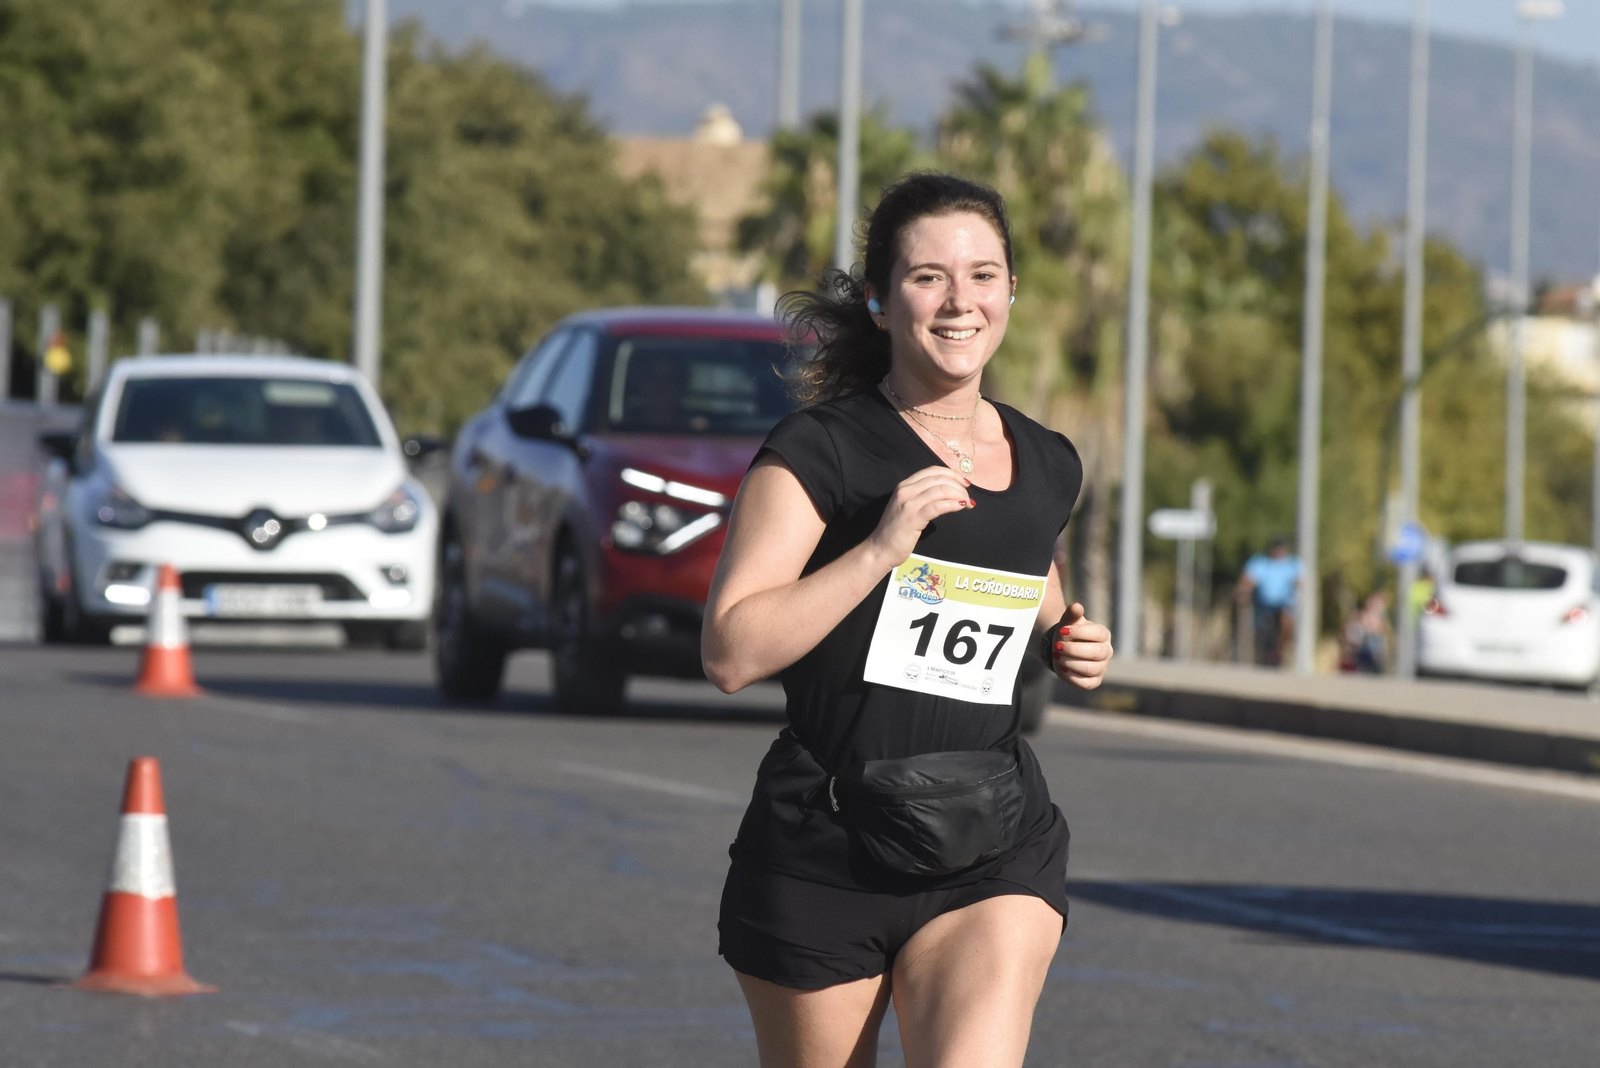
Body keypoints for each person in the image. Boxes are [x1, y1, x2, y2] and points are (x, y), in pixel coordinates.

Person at [701, 173, 1114, 1068]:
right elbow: (730, 652)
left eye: (983, 274)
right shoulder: (822, 450)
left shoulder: (1046, 461)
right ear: (883, 304)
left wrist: (1066, 636)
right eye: (929, 277)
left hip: (991, 841)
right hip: (828, 843)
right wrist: (880, 548)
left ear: (1011, 292)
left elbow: (1024, 566)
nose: (960, 300)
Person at [1237, 537, 1302, 667]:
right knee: (1261, 627)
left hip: (1284, 603)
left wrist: (1297, 588)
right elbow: (1248, 579)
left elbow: (1300, 581)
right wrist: (1243, 591)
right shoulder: (1261, 563)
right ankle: (1262, 652)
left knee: (1286, 621)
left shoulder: (1292, 564)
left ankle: (1284, 649)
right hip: (1264, 603)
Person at [1340, 590, 1391, 674]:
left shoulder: (1379, 616)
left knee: (1375, 667)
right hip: (1369, 644)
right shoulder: (1366, 615)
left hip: (1375, 644)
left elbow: (1383, 629)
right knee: (1366, 666)